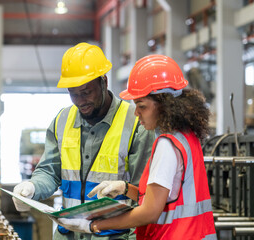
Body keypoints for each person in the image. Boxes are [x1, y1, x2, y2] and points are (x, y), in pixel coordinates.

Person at [54, 54, 217, 239]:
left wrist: (94, 225)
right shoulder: (186, 137)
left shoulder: (167, 145)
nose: (136, 113)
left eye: (142, 106)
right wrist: (125, 188)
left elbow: (150, 212)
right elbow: (164, 197)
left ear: (165, 104)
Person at [12, 42, 155, 240]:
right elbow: (49, 171)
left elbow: (144, 193)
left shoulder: (136, 122)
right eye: (73, 93)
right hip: (68, 234)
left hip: (113, 236)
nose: (80, 101)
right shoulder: (61, 121)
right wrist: (33, 187)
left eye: (86, 92)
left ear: (103, 81)